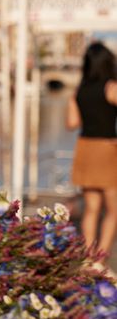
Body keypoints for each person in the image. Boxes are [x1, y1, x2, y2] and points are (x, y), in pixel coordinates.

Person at [66, 41, 117, 261]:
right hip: (107, 149)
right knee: (114, 211)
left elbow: (72, 122)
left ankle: (88, 259)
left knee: (91, 208)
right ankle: (101, 260)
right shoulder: (112, 88)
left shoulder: (78, 91)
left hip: (85, 148)